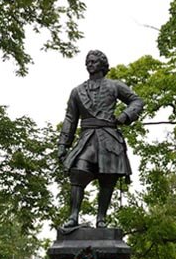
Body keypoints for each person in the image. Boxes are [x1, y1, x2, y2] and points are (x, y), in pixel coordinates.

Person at [57, 50, 144, 229]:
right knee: (78, 172)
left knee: (108, 178)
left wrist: (125, 116)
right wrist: (63, 145)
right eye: (88, 61)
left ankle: (101, 218)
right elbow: (70, 119)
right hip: (87, 138)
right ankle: (73, 216)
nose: (90, 64)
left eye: (94, 61)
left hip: (109, 138)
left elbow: (137, 101)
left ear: (103, 65)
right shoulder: (77, 91)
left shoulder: (114, 86)